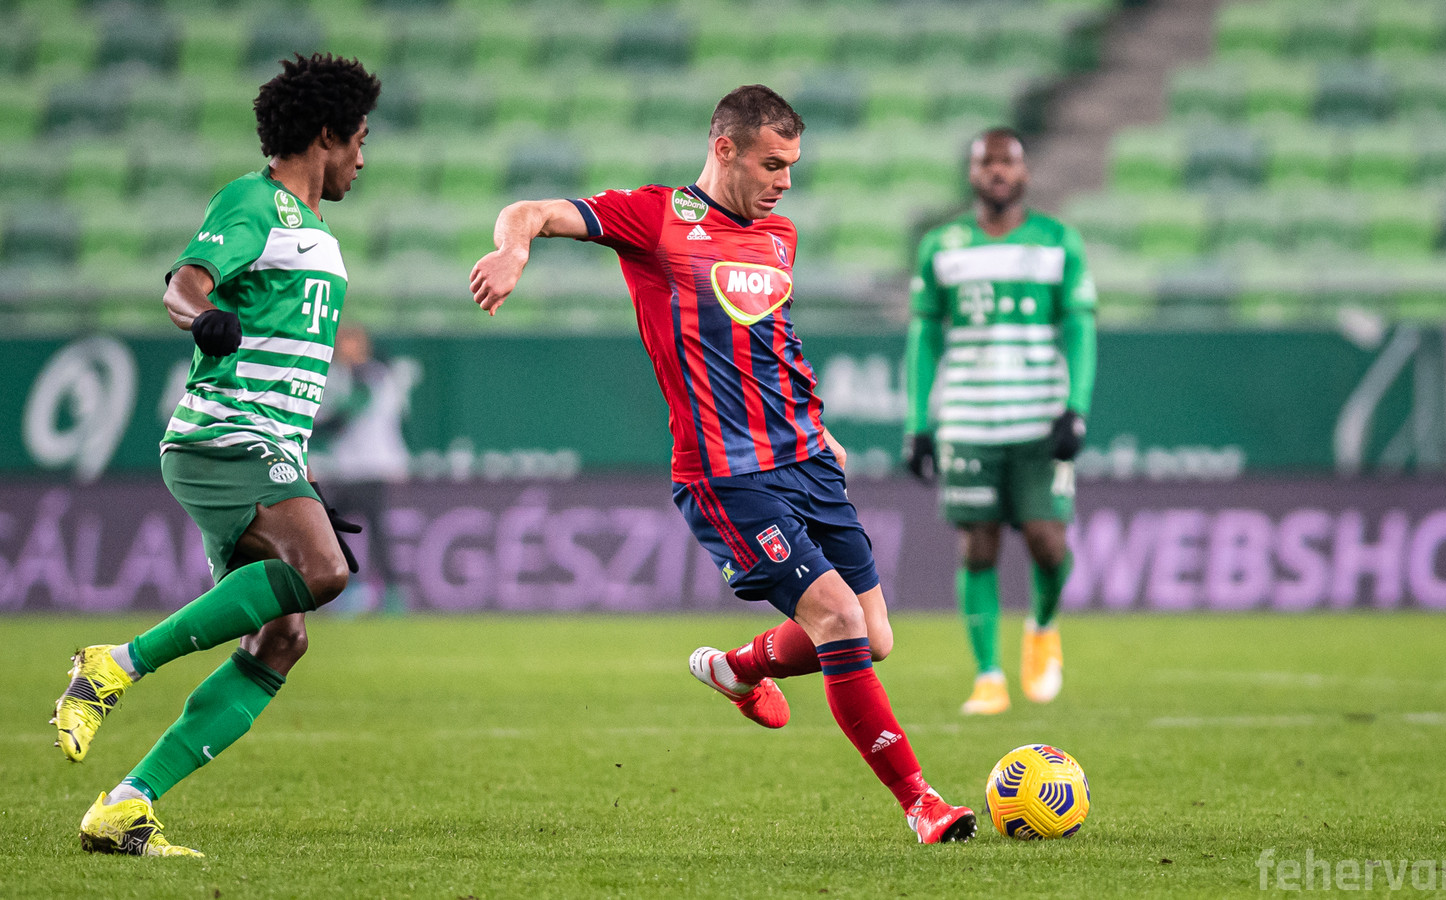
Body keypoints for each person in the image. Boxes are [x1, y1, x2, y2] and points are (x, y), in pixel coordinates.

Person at [469, 85, 977, 844]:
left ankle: (738, 669)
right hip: (726, 474)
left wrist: (819, 426)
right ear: (725, 148)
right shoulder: (656, 219)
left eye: (793, 166)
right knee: (837, 618)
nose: (785, 182)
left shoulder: (780, 238)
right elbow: (532, 211)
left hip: (805, 457)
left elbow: (773, 340)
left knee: (874, 637)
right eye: (773, 164)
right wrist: (512, 252)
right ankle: (921, 802)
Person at [51, 53, 380, 857]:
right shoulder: (253, 201)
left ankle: (125, 806)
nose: (365, 159)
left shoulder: (318, 236)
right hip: (222, 435)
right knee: (324, 568)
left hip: (267, 447)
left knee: (281, 638)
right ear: (327, 135)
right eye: (360, 140)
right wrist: (201, 319)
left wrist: (296, 481)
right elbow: (185, 281)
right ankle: (113, 663)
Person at [902, 128, 1097, 716]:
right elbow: (924, 336)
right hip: (968, 415)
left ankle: (1042, 625)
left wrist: (1076, 407)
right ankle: (988, 675)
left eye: (1007, 161)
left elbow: (1081, 327)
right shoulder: (942, 245)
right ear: (971, 174)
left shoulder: (1058, 241)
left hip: (1038, 413)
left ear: (1025, 172)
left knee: (1047, 540)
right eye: (986, 162)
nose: (997, 171)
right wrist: (918, 423)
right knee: (977, 547)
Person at [310, 324, 414, 613]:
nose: (343, 348)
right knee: (331, 524)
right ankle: (353, 588)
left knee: (375, 531)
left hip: (372, 466)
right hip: (347, 467)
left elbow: (345, 415)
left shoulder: (372, 374)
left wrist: (304, 427)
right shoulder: (345, 376)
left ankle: (389, 595)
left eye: (348, 342)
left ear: (362, 345)